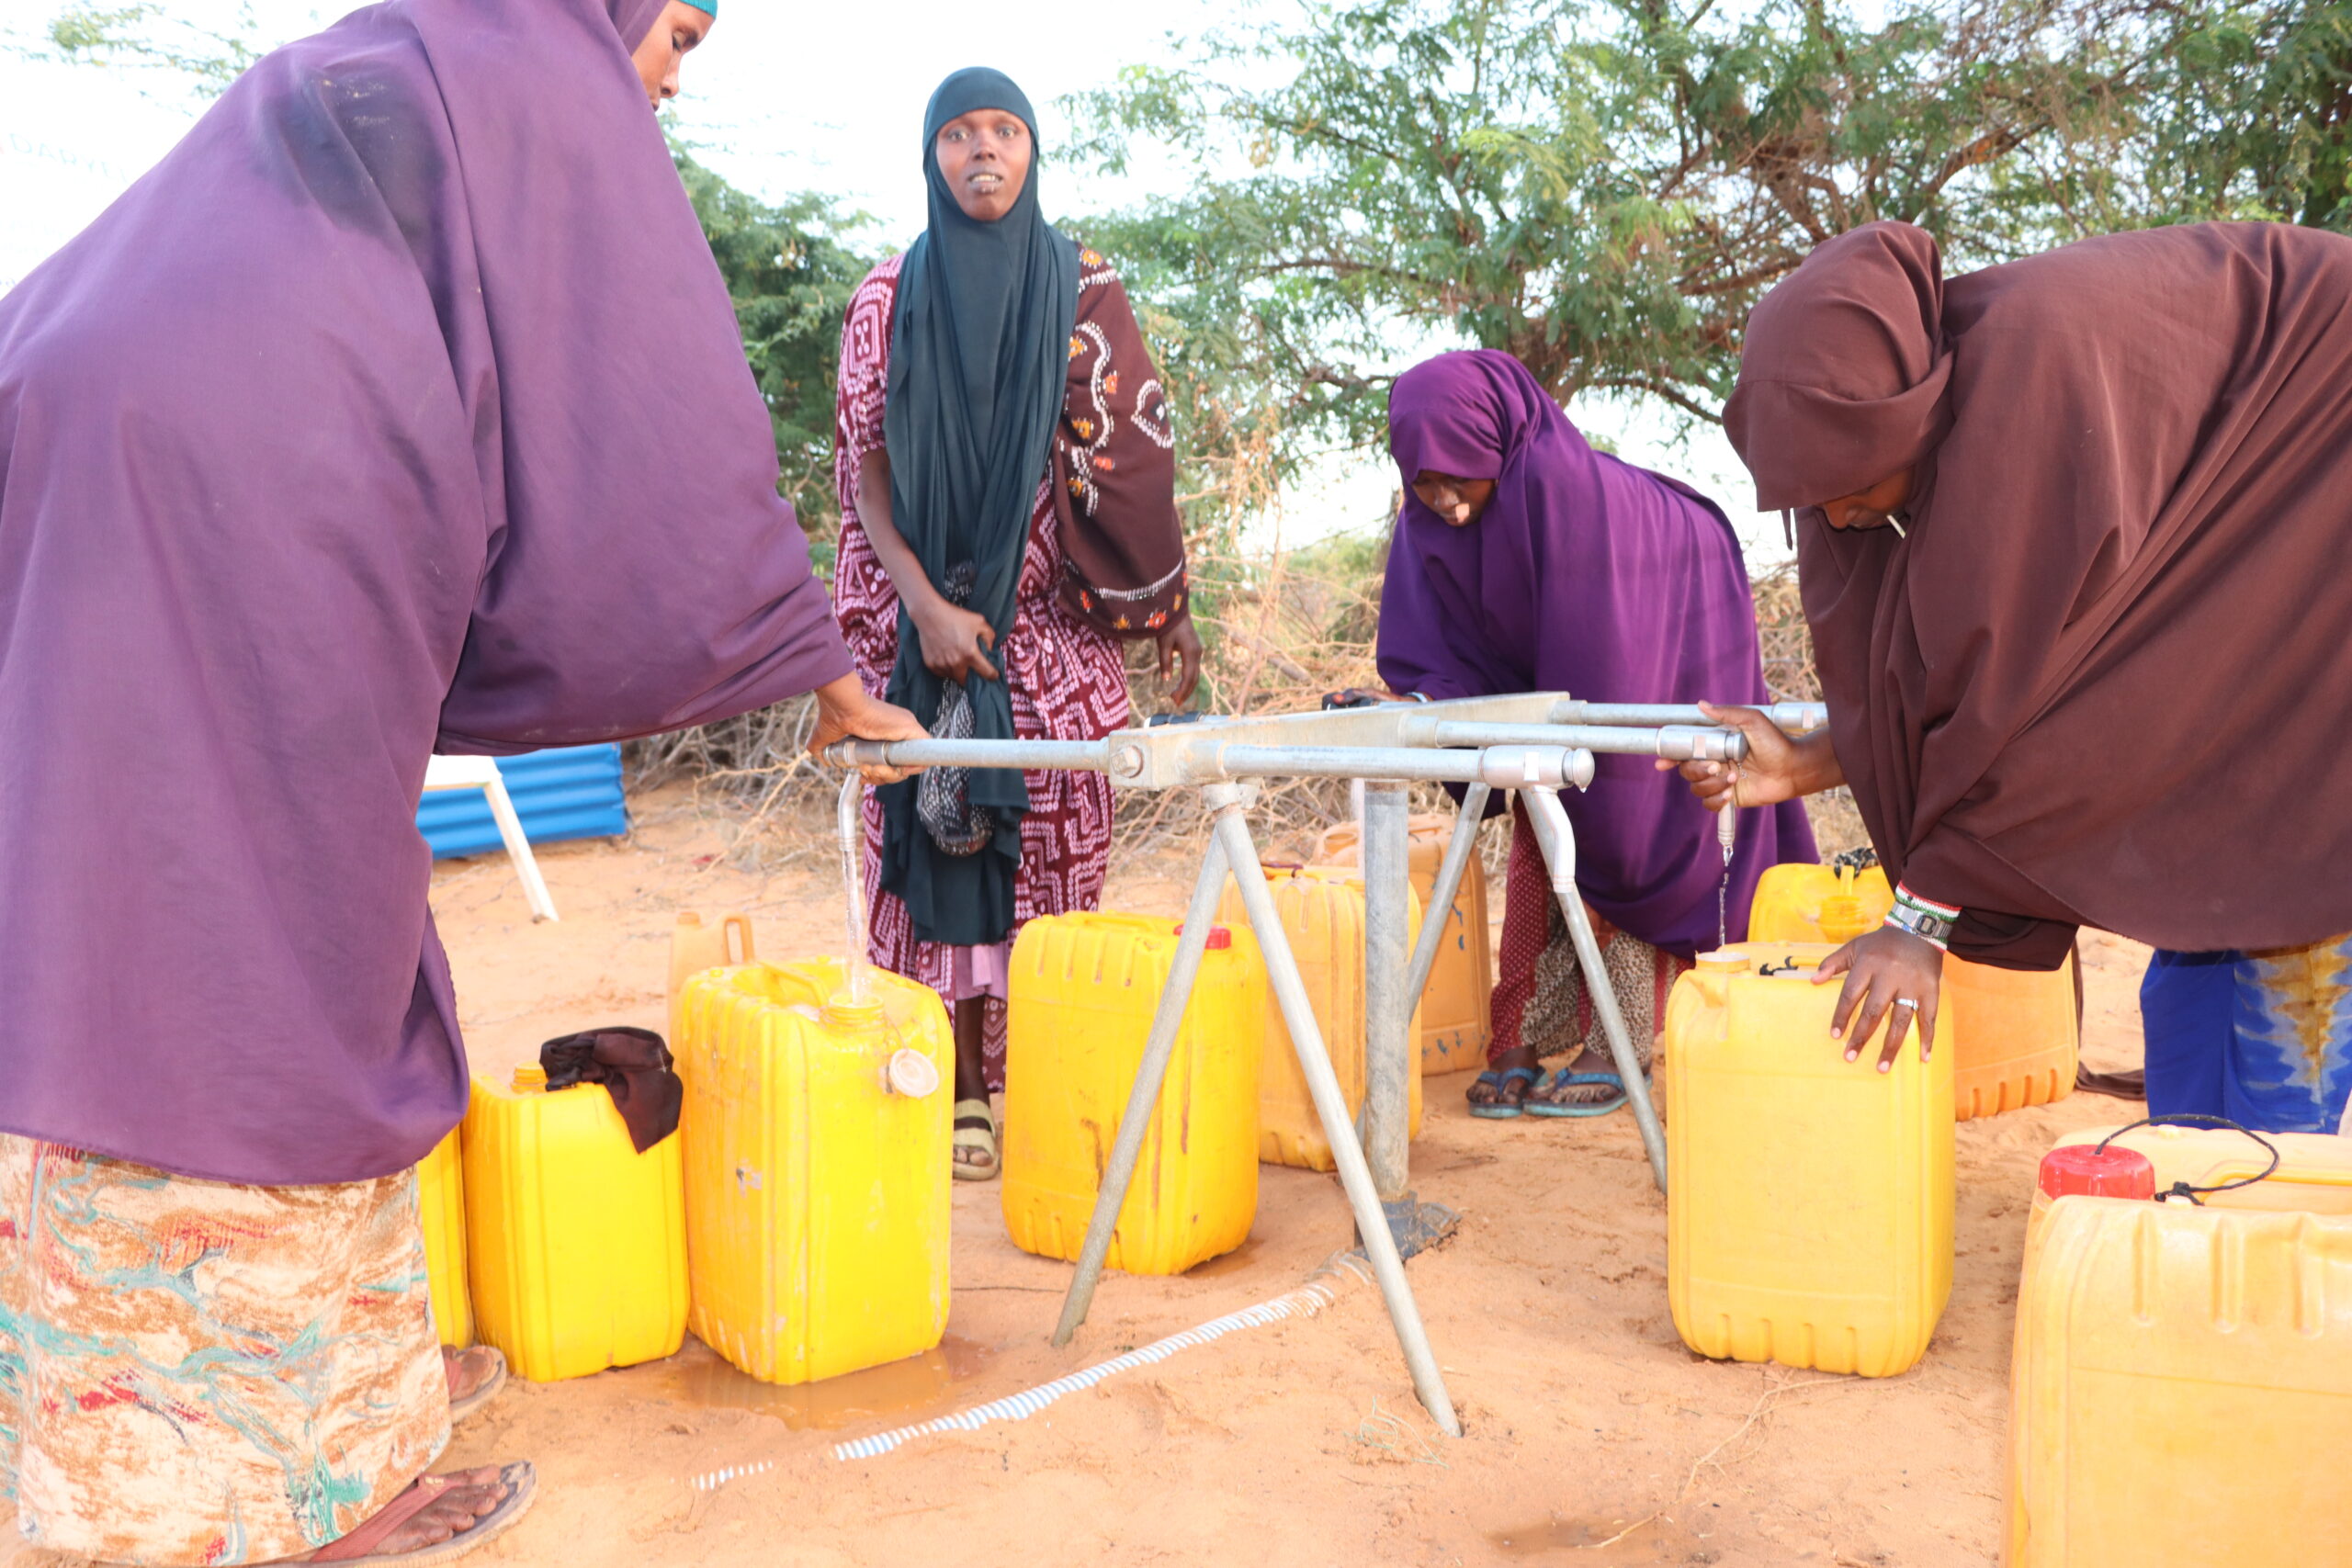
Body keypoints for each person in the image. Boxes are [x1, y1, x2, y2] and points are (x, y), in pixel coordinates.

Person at [0, 0, 922, 1561]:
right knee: (264, 941)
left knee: (116, 882)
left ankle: (337, 1377)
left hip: (79, 417)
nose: (669, 80)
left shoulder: (393, 56)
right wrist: (818, 663)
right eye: (679, 36)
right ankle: (275, 1485)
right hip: (255, 469)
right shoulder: (540, 64)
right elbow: (647, 420)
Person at [1685, 219, 2352, 1134]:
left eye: (1850, 484)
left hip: (2321, 463)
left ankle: (2260, 1193)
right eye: (1809, 499)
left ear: (1904, 416)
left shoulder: (2028, 390)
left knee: (2282, 911)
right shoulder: (1912, 449)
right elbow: (1940, 683)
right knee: (2203, 914)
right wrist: (1810, 761)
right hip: (2259, 540)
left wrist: (1918, 923)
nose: (1834, 515)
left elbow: (2053, 701)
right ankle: (2195, 1180)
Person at [833, 68, 1201, 1179]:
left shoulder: (1081, 287)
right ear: (931, 157)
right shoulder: (886, 298)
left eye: (1003, 131)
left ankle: (1037, 1076)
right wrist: (927, 609)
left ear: (1033, 152)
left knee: (1055, 861)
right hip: (928, 636)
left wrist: (1168, 600)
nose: (982, 150)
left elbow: (1132, 453)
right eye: (957, 134)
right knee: (930, 840)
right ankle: (958, 1087)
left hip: (1050, 638)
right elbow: (868, 473)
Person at [1374, 351, 1816, 1119]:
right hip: (1562, 671)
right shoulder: (1431, 517)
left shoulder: (1559, 487)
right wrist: (1421, 698)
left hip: (1665, 636)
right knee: (1537, 817)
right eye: (1425, 482)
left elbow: (1605, 658)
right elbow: (1434, 639)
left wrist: (1575, 745)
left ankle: (1619, 1040)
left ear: (1494, 447)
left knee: (1629, 823)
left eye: (1457, 479)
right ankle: (1523, 1032)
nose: (1443, 501)